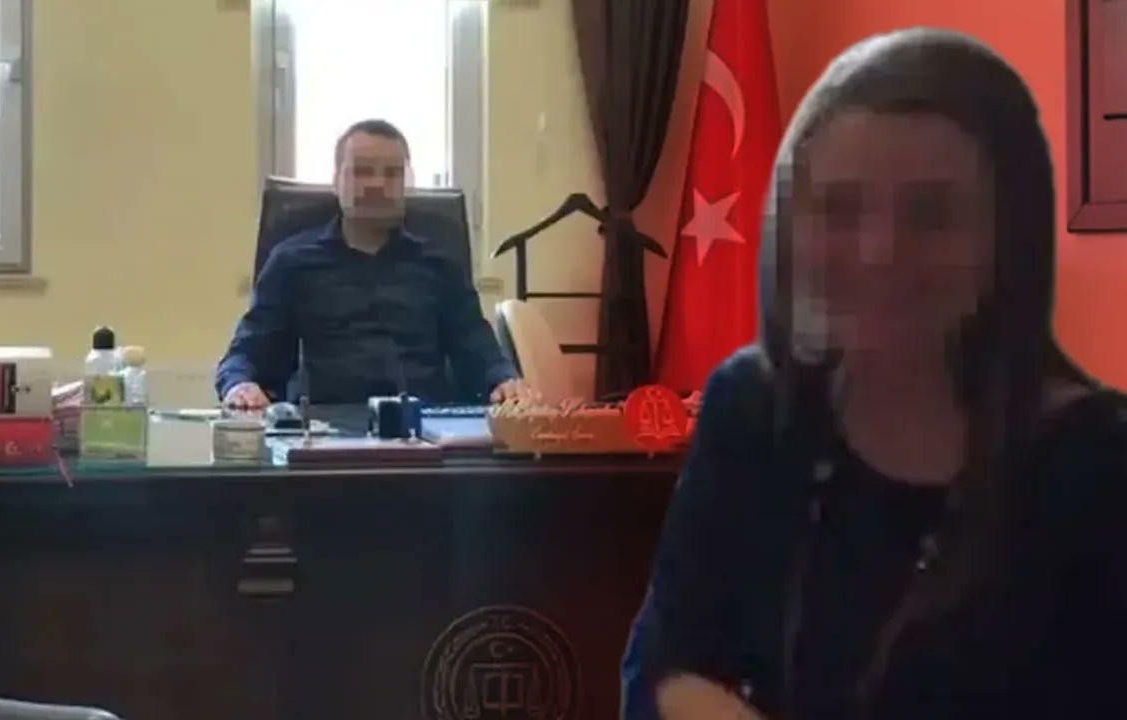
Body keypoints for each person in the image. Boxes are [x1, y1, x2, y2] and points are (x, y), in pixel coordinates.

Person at [622, 28, 1127, 720]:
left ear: (1006, 238)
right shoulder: (753, 406)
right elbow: (671, 664)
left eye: (931, 215)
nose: (878, 251)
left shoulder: (1098, 463)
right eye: (839, 207)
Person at [217, 119, 531, 408]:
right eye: (362, 171)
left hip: (426, 431)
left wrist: (504, 381)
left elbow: (477, 346)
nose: (378, 184)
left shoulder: (439, 263)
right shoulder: (292, 262)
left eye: (392, 173)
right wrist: (240, 385)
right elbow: (246, 353)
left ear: (407, 184)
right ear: (336, 181)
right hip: (327, 432)